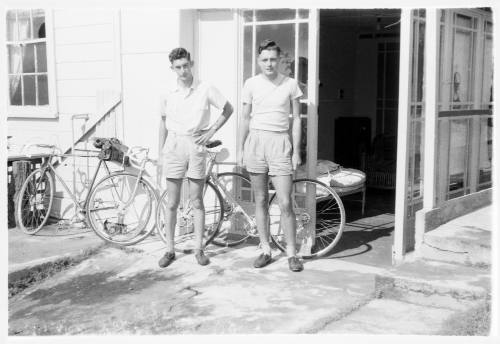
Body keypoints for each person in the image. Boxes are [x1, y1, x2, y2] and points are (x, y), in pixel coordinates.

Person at [158, 47, 233, 268]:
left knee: (196, 200)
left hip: (196, 145)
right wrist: (161, 153)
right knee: (172, 202)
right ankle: (169, 249)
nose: (183, 71)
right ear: (172, 68)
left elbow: (228, 109)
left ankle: (199, 249)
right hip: (173, 145)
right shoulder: (167, 92)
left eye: (185, 66)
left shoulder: (205, 88)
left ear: (191, 64)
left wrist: (211, 132)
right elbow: (162, 123)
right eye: (178, 67)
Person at [238, 39, 304, 272]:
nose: (269, 63)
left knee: (286, 202)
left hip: (279, 142)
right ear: (258, 61)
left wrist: (296, 151)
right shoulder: (251, 84)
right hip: (256, 142)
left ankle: (292, 254)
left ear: (280, 60)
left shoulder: (290, 84)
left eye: (273, 59)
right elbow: (245, 118)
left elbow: (296, 119)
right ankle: (265, 249)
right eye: (264, 59)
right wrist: (241, 148)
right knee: (261, 199)